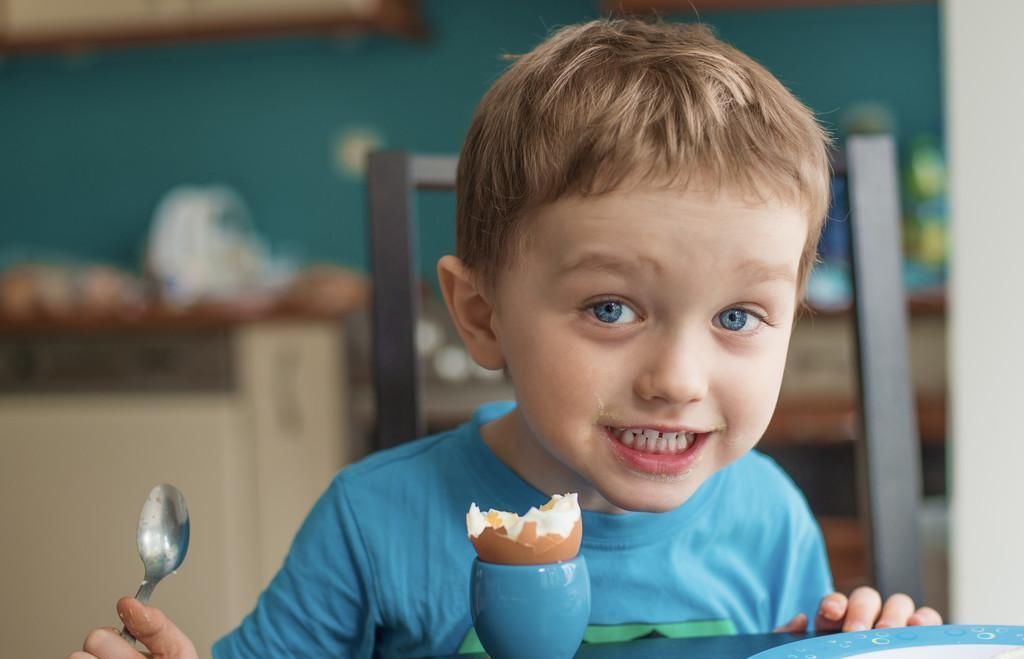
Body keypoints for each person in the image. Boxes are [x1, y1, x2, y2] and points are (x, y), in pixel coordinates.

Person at [70, 18, 941, 659]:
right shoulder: (374, 523)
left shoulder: (771, 522)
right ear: (481, 314)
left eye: (738, 318)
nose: (677, 379)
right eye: (611, 309)